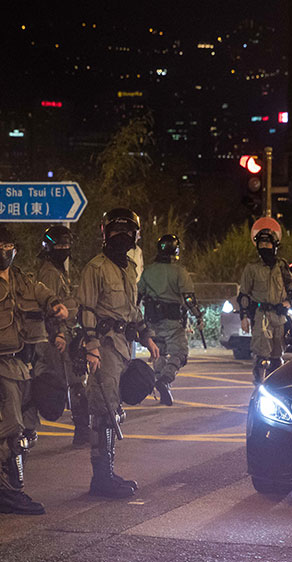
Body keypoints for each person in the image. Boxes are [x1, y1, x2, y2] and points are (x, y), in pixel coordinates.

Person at [0, 227, 68, 515]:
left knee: (30, 430)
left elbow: (45, 295)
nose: (3, 251)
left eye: (7, 245)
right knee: (11, 430)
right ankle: (12, 494)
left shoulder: (25, 280)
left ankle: (6, 483)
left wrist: (56, 306)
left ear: (15, 249)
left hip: (26, 364)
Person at [78, 208, 160, 499]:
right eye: (116, 232)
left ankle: (108, 472)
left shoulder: (128, 268)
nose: (121, 237)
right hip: (105, 346)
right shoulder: (95, 268)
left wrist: (147, 337)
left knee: (115, 408)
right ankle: (101, 478)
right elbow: (86, 309)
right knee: (104, 410)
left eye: (127, 232)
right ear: (105, 233)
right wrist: (91, 348)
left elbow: (133, 310)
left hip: (126, 345)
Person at [33, 224, 90, 445]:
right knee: (73, 381)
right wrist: (57, 334)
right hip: (57, 337)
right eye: (60, 245)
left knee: (70, 380)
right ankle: (82, 429)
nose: (65, 248)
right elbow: (49, 308)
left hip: (64, 334)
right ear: (49, 247)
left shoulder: (58, 270)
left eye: (67, 244)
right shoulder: (49, 272)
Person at [138, 234, 203, 406]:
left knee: (158, 352)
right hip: (173, 320)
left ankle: (161, 382)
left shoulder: (148, 271)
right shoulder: (179, 272)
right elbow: (188, 298)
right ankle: (166, 378)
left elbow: (138, 295)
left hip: (152, 319)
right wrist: (197, 315)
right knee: (180, 353)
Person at [237, 217, 292, 384]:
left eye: (268, 244)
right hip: (261, 316)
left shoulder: (281, 266)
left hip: (279, 316)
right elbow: (244, 295)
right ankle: (259, 387)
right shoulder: (252, 268)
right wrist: (243, 317)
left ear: (274, 245)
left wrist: (288, 302)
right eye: (261, 244)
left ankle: (274, 389)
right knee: (262, 356)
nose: (264, 247)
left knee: (277, 357)